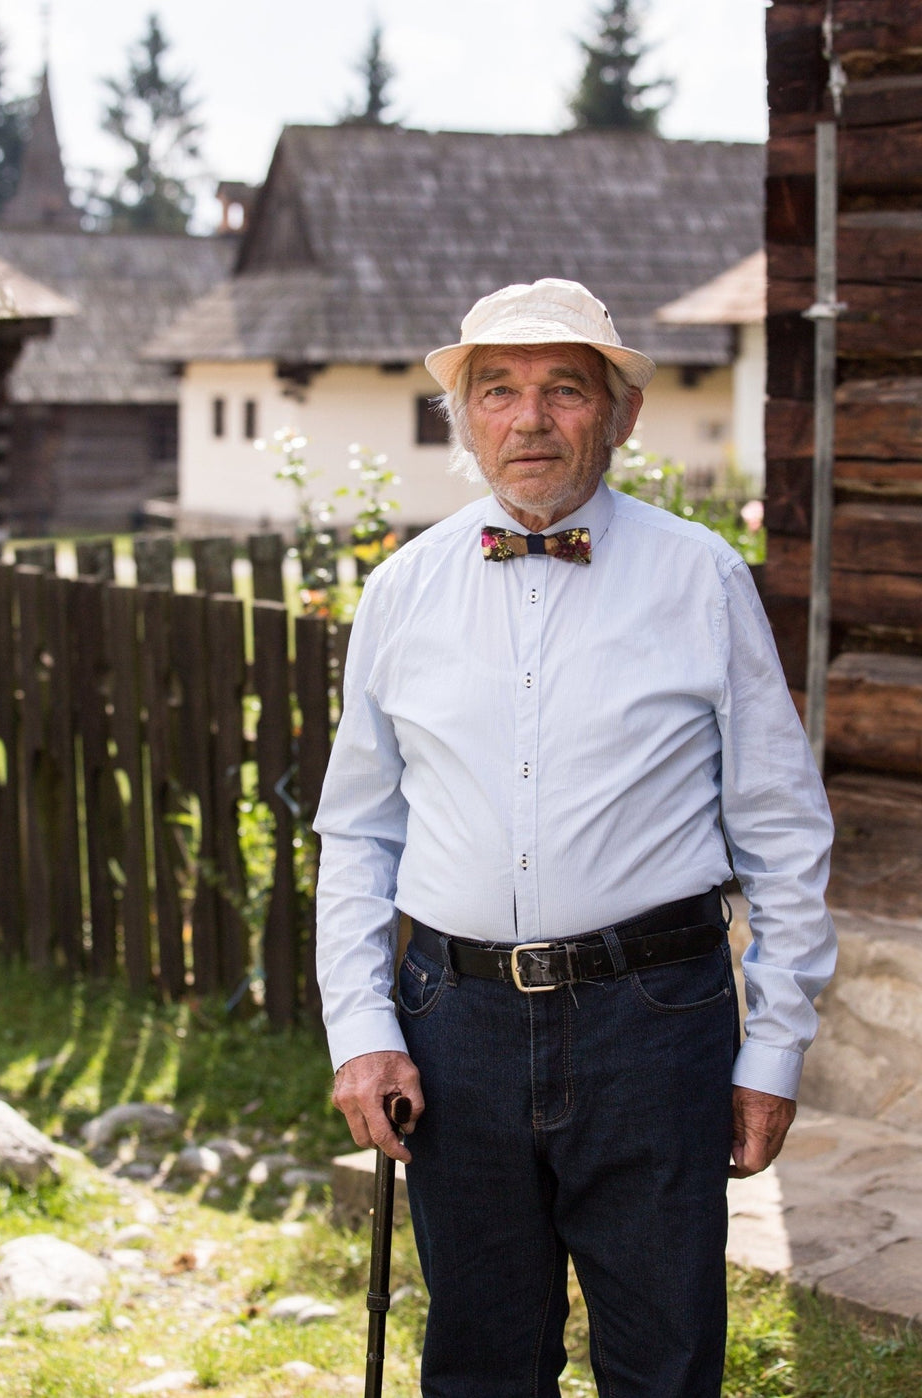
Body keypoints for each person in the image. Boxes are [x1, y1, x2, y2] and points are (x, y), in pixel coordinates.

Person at [314, 278, 836, 1398]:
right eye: (497, 391)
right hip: (453, 1026)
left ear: (621, 414)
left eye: (564, 390)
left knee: (667, 1361)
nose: (530, 419)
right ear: (465, 416)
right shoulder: (402, 592)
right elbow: (357, 832)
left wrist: (775, 1048)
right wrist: (362, 1027)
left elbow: (784, 832)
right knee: (480, 1364)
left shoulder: (701, 579)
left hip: (655, 1023)